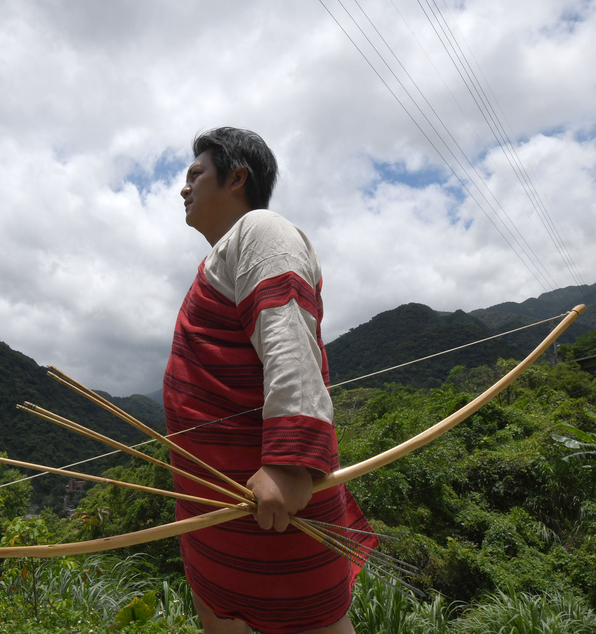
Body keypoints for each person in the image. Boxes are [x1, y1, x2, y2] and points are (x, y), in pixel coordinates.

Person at [163, 127, 375, 634]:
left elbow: (287, 332)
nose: (183, 188)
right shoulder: (222, 256)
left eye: (197, 175)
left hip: (273, 504)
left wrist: (288, 464)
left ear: (238, 178)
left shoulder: (262, 230)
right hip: (220, 510)